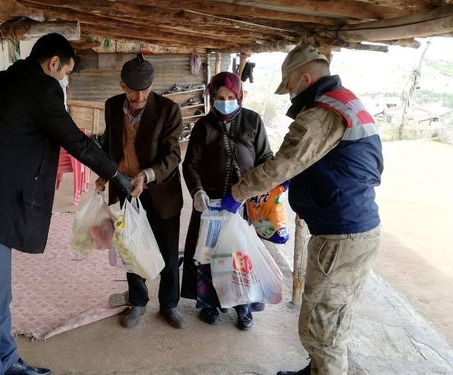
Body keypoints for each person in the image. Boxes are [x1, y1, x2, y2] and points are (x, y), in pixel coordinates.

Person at [0, 33, 132, 375]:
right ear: (53, 63)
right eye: (65, 73)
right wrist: (117, 175)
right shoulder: (40, 89)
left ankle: (6, 362)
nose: (63, 81)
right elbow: (75, 140)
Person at [222, 44, 383, 375]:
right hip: (354, 227)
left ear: (306, 77)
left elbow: (283, 163)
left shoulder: (322, 112)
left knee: (322, 329)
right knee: (330, 314)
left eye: (291, 87)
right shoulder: (346, 101)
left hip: (342, 234)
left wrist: (238, 193)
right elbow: (341, 164)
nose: (290, 94)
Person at [96, 54, 184, 329]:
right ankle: (138, 302)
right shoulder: (112, 106)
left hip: (160, 190)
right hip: (124, 187)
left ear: (152, 85)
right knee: (131, 250)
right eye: (133, 90)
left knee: (169, 254)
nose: (139, 96)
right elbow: (110, 143)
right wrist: (104, 173)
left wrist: (146, 175)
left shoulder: (169, 109)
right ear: (122, 86)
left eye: (144, 90)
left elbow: (173, 155)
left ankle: (169, 304)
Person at [181, 72, 273, 330]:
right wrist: (197, 191)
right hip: (210, 205)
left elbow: (266, 157)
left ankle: (244, 308)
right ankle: (211, 304)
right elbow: (191, 165)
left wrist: (258, 190)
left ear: (239, 96)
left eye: (231, 97)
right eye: (220, 97)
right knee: (210, 255)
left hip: (244, 206)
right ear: (212, 98)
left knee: (240, 257)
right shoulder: (203, 126)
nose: (225, 101)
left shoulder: (253, 121)